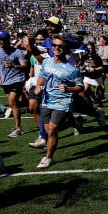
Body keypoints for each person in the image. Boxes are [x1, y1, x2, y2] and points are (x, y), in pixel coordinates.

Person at [34, 34, 84, 169]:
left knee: (52, 130)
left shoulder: (72, 69)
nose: (57, 48)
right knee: (48, 129)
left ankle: (48, 157)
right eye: (54, 45)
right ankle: (75, 122)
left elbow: (80, 86)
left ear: (66, 49)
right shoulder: (46, 62)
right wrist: (39, 85)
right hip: (47, 100)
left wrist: (68, 88)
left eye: (60, 46)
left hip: (62, 101)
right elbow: (42, 76)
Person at [0, 31, 29, 137]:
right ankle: (29, 104)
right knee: (12, 103)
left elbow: (25, 65)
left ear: (8, 40)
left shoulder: (17, 52)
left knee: (13, 102)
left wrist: (13, 65)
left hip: (17, 79)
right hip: (5, 80)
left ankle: (18, 128)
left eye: (2, 39)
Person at [78, 42, 104, 107]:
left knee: (96, 92)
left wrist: (94, 69)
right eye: (88, 48)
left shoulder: (96, 57)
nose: (89, 50)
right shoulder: (84, 56)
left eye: (91, 48)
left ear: (94, 49)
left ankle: (100, 103)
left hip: (96, 77)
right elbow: (80, 62)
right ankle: (87, 104)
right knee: (84, 90)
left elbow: (102, 67)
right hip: (87, 76)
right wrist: (77, 67)